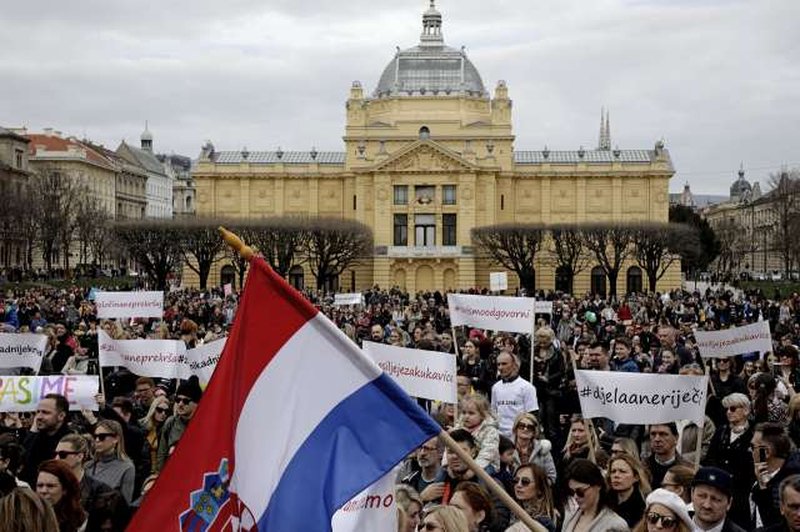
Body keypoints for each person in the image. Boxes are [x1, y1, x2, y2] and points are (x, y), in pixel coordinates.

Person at [703, 392, 755, 527]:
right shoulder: (721, 431)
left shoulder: (755, 433)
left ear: (745, 410)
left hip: (742, 495)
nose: (728, 412)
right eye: (726, 409)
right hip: (719, 489)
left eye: (733, 408)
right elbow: (710, 458)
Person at [752, 422, 800, 528]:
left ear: (766, 452)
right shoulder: (761, 471)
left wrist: (763, 487)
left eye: (753, 447)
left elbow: (775, 523)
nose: (749, 450)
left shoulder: (790, 484)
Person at [561, 458, 628, 532]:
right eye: (572, 492)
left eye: (580, 491)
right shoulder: (569, 517)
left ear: (598, 486)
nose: (575, 496)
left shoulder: (615, 524)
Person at [55, 433, 116, 514]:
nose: (56, 459)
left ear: (80, 456)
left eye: (62, 455)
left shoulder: (98, 490)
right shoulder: (50, 484)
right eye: (56, 454)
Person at [23, 393, 73, 484]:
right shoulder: (34, 439)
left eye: (45, 412)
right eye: (37, 412)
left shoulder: (70, 442)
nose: (39, 417)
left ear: (61, 416)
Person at [156, 376, 203, 472]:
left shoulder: (205, 425)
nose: (180, 404)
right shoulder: (171, 422)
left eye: (185, 401)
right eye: (178, 400)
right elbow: (162, 454)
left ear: (196, 403)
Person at [85, 419, 135, 504]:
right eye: (95, 436)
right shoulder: (88, 465)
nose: (97, 440)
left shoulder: (127, 467)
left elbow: (125, 503)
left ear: (116, 439)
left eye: (102, 437)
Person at [491, 353, 538, 438]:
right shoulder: (495, 387)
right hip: (499, 435)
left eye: (504, 364)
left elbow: (532, 415)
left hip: (518, 435)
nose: (500, 367)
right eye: (498, 364)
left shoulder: (527, 387)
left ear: (514, 365)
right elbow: (493, 412)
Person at [37, 459, 87, 532]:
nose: (43, 491)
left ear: (65, 489)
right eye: (40, 485)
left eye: (50, 486)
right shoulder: (28, 516)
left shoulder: (81, 521)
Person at [690, 466, 747, 532]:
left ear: (729, 503)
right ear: (692, 494)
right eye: (702, 496)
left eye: (716, 499)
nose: (707, 505)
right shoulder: (676, 526)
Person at [507, 464, 557, 531]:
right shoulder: (511, 511)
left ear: (539, 489)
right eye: (516, 480)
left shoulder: (544, 522)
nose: (518, 485)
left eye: (525, 481)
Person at [457, 394, 500, 471]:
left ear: (482, 415)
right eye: (464, 413)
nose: (466, 416)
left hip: (485, 464)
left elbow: (487, 454)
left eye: (471, 413)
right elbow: (449, 448)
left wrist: (473, 470)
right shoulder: (458, 428)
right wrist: (446, 465)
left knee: (483, 476)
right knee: (442, 473)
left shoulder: (490, 431)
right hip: (462, 462)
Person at [510, 413, 556, 485]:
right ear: (516, 428)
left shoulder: (542, 448)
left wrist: (536, 487)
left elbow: (551, 477)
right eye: (522, 426)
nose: (525, 429)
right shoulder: (507, 447)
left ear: (534, 432)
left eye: (530, 427)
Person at [607, 453, 651, 528]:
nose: (616, 475)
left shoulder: (642, 507)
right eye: (613, 471)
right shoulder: (603, 500)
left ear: (636, 477)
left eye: (622, 471)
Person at [645, 423, 691, 488]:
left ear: (676, 438)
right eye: (653, 434)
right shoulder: (640, 468)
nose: (657, 439)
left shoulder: (689, 470)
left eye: (663, 434)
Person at [403, 437, 444, 502]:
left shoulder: (449, 480)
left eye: (427, 449)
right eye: (419, 448)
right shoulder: (408, 481)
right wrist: (421, 498)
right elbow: (402, 509)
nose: (422, 453)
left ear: (440, 453)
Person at [139, 395, 171, 475]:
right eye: (159, 410)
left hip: (159, 472)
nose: (163, 414)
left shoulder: (167, 429)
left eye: (166, 411)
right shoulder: (141, 426)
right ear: (153, 409)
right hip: (142, 471)